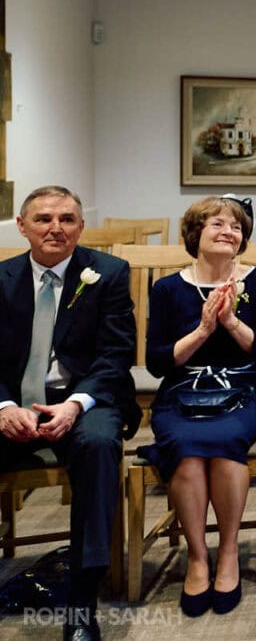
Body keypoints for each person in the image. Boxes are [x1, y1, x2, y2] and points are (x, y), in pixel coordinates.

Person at [0, 186, 139, 641]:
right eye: (43, 219)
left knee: (100, 445)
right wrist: (4, 407)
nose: (55, 228)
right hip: (13, 403)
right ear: (22, 226)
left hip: (83, 398)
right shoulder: (1, 278)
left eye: (66, 219)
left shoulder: (110, 273)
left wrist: (75, 403)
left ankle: (81, 604)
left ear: (80, 226)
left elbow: (117, 355)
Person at [141, 195, 256, 616]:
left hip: (244, 389)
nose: (228, 232)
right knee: (186, 453)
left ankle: (230, 551)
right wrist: (203, 330)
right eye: (217, 224)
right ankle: (199, 557)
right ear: (194, 234)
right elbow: (157, 362)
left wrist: (232, 323)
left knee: (224, 445)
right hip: (182, 391)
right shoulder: (167, 288)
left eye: (236, 227)